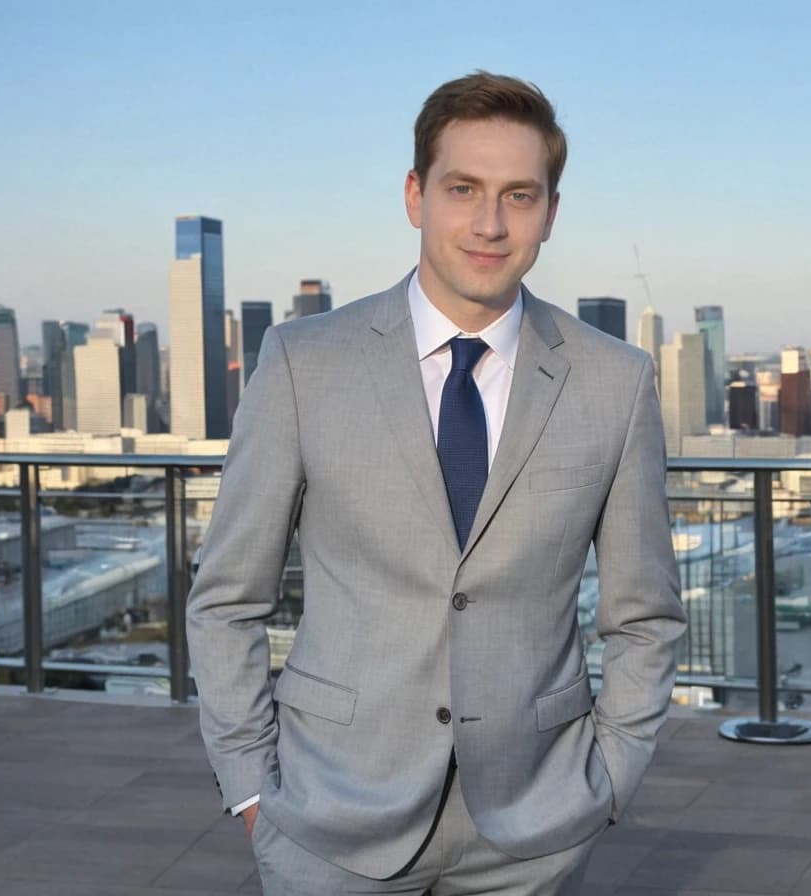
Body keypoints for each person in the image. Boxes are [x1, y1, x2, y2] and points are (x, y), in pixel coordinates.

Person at [186, 71, 686, 895]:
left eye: (519, 196)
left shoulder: (615, 382)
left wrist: (609, 779)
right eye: (464, 189)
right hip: (327, 818)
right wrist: (249, 785)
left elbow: (645, 614)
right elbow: (226, 597)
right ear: (416, 195)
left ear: (551, 214)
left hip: (534, 826)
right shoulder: (303, 362)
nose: (490, 224)